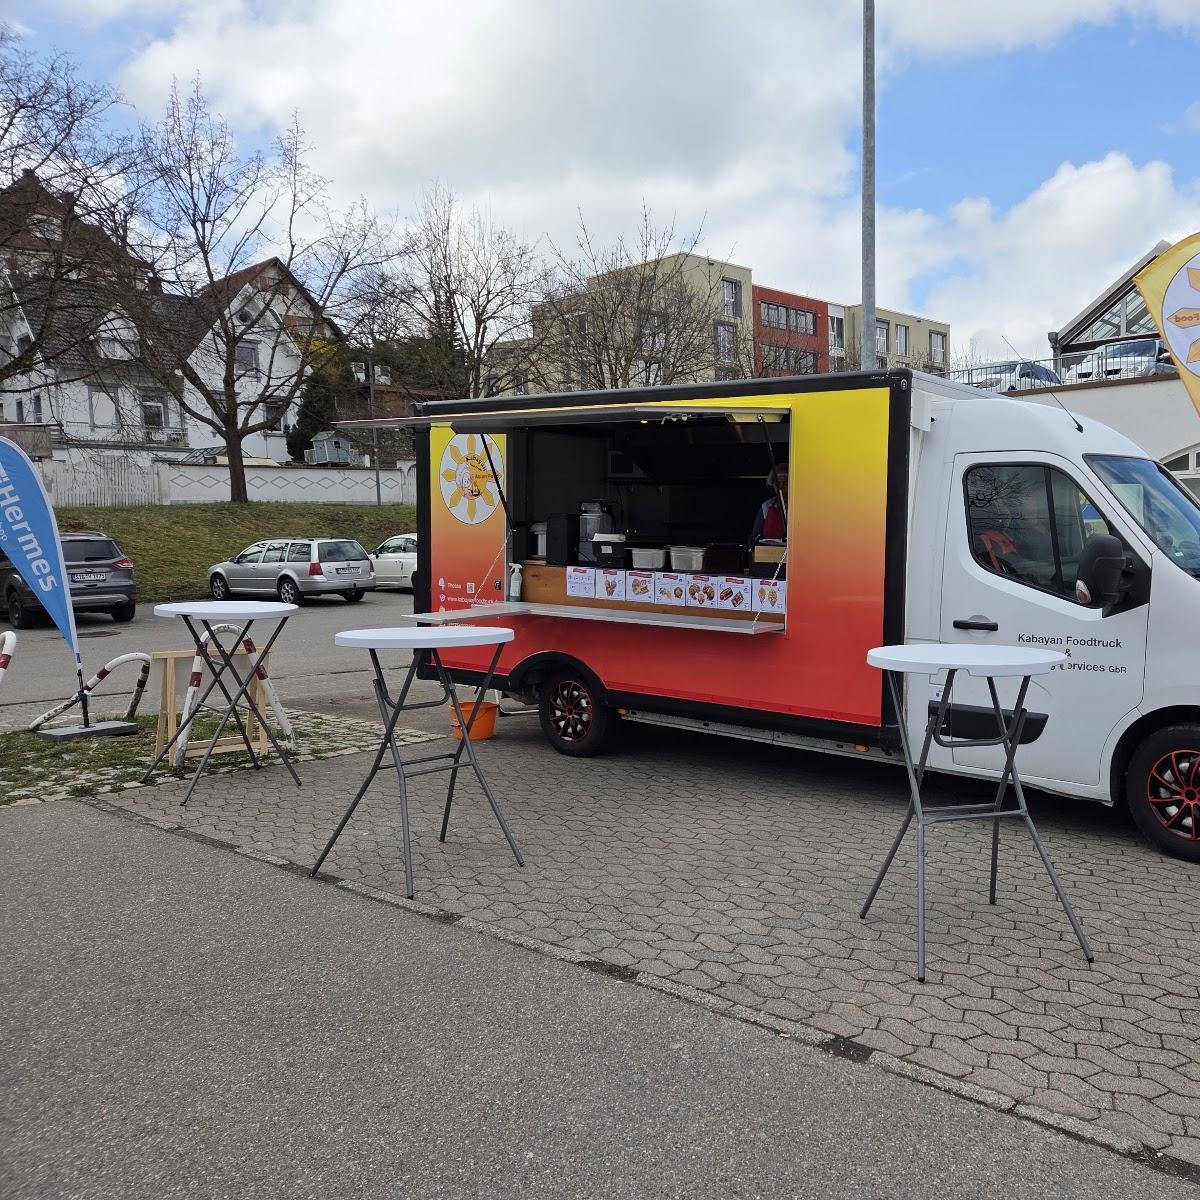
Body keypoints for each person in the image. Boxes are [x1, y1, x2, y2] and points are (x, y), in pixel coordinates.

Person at [749, 464, 788, 546]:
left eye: (786, 484)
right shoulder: (767, 506)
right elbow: (755, 536)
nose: (781, 488)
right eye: (777, 484)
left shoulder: (802, 507)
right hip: (769, 554)